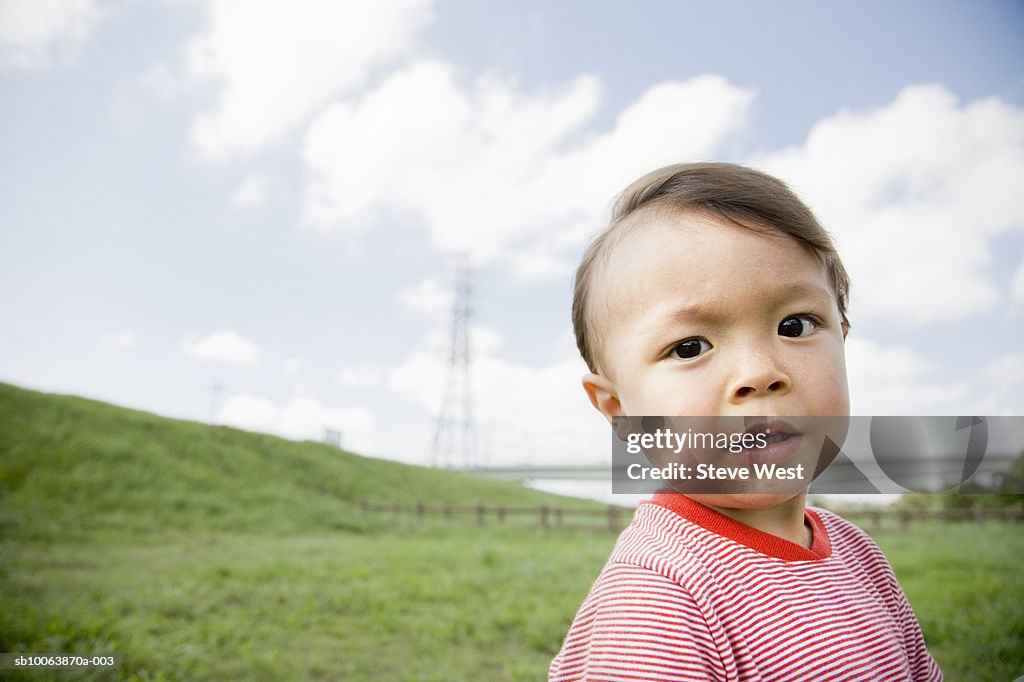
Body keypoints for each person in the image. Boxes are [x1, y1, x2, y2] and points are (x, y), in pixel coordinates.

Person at [549, 162, 942, 681]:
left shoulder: (859, 556)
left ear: (842, 342)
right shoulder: (660, 600)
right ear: (621, 412)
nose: (759, 373)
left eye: (795, 325)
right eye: (690, 347)